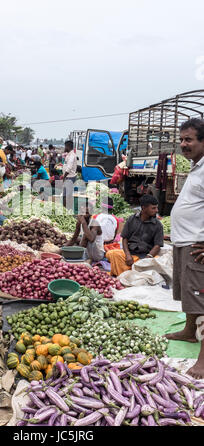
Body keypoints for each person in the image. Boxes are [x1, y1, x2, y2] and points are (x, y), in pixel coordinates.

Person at [164, 118, 204, 379]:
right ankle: (189, 331)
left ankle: (202, 360)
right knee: (188, 295)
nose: (183, 144)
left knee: (201, 301)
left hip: (196, 245)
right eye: (181, 139)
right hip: (183, 242)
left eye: (189, 139)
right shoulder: (196, 167)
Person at [106, 195, 164, 276]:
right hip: (131, 254)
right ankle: (127, 274)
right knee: (112, 253)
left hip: (146, 256)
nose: (156, 210)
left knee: (158, 261)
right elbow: (125, 238)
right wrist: (128, 255)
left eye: (156, 208)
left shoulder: (158, 225)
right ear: (144, 208)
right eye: (153, 208)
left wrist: (147, 258)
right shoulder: (131, 219)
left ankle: (127, 273)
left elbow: (157, 245)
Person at [66, 198, 118, 262]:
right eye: (82, 212)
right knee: (77, 238)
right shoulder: (80, 222)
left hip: (97, 254)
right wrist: (62, 249)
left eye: (87, 212)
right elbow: (73, 238)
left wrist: (83, 222)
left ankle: (79, 256)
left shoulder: (95, 223)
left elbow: (91, 239)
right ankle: (79, 254)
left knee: (85, 235)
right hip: (88, 253)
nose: (84, 215)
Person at [62, 140, 77, 209]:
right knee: (66, 194)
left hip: (70, 177)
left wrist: (64, 177)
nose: (64, 148)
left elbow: (69, 167)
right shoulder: (69, 154)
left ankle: (67, 209)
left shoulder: (72, 155)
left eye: (65, 146)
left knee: (67, 195)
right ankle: (65, 209)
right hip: (68, 177)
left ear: (68, 146)